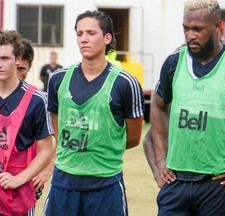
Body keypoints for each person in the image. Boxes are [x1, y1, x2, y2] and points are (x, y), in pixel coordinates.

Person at [149, 0, 225, 215]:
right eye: (186, 28)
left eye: (197, 29)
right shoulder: (173, 62)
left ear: (218, 27)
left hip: (220, 184)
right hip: (176, 181)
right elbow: (158, 106)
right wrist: (161, 159)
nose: (190, 35)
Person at [43, 10, 144, 216]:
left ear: (107, 38)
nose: (84, 39)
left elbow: (133, 137)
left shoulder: (125, 82)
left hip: (105, 184)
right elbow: (56, 122)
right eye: (79, 34)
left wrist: (101, 145)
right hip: (64, 182)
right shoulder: (58, 79)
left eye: (91, 33)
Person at [0, 29, 54, 216]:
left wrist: (20, 179)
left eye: (5, 58)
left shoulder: (37, 100)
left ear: (18, 58)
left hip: (17, 200)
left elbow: (46, 149)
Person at [17, 37, 55, 201]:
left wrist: (45, 171)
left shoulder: (40, 101)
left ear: (30, 67)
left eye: (21, 69)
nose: (16, 75)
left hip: (26, 181)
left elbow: (62, 140)